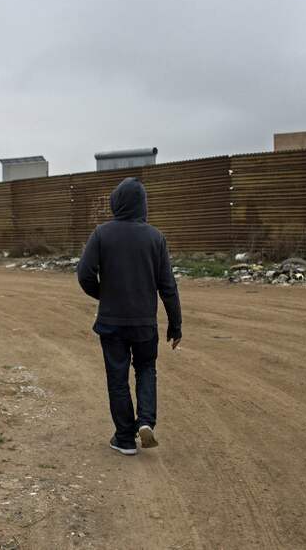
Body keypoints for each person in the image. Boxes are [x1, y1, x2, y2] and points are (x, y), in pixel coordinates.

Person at [76, 177, 182, 456]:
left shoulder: (101, 233)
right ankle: (146, 421)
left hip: (111, 322)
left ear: (116, 202)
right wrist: (175, 323)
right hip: (145, 323)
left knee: (117, 377)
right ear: (142, 205)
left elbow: (84, 274)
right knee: (146, 369)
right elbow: (168, 286)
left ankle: (124, 438)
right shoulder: (156, 238)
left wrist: (104, 295)